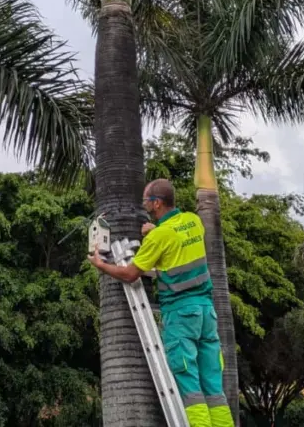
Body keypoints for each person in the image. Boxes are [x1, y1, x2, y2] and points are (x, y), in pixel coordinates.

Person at [88, 178, 234, 427]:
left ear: (156, 203)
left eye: (146, 201)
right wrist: (154, 231)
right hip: (206, 313)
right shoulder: (193, 222)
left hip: (181, 314)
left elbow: (131, 273)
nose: (145, 205)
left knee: (190, 386)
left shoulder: (159, 239)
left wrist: (102, 265)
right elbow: (175, 240)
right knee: (213, 387)